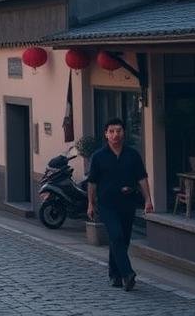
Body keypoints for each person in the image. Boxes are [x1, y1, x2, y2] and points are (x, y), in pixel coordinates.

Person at [87, 117, 154, 291]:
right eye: (111, 131)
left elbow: (142, 178)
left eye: (118, 131)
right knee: (116, 236)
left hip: (128, 203)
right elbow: (92, 182)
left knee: (122, 240)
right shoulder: (98, 157)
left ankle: (114, 274)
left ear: (124, 133)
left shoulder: (132, 155)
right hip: (107, 205)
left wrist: (148, 200)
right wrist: (90, 204)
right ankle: (127, 274)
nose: (115, 135)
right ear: (106, 134)